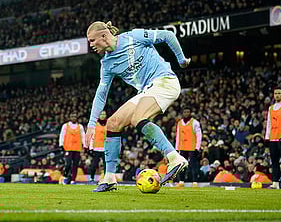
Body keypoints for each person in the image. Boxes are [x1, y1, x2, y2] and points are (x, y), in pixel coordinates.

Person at [85, 21, 191, 192]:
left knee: (138, 118)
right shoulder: (107, 64)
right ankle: (110, 178)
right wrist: (91, 124)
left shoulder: (133, 37)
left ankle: (175, 158)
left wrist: (181, 60)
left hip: (164, 81)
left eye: (91, 40)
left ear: (103, 36)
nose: (91, 45)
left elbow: (167, 36)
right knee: (113, 123)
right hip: (147, 90)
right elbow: (101, 94)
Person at [175, 106, 202, 186]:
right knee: (182, 164)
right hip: (182, 147)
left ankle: (195, 181)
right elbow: (178, 136)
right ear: (182, 113)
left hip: (192, 147)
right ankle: (181, 181)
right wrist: (177, 148)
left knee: (193, 164)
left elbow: (199, 135)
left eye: (188, 112)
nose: (186, 113)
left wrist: (197, 147)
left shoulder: (195, 122)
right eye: (185, 112)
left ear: (190, 113)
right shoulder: (179, 123)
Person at [59, 112, 86, 184]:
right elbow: (62, 135)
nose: (74, 118)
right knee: (68, 164)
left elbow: (83, 136)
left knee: (75, 165)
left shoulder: (80, 127)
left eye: (75, 116)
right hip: (68, 148)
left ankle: (73, 180)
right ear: (70, 117)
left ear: (77, 118)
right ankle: (65, 177)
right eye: (72, 116)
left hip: (77, 148)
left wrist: (84, 145)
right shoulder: (65, 126)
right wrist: (61, 144)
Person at [88, 111, 108, 184]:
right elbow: (92, 136)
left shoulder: (108, 124)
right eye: (101, 114)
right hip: (96, 148)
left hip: (105, 148)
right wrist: (90, 148)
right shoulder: (95, 124)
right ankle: (91, 179)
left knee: (106, 165)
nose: (102, 116)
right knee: (94, 165)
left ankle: (106, 179)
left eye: (104, 114)